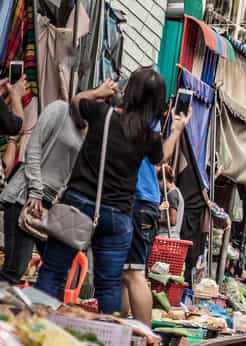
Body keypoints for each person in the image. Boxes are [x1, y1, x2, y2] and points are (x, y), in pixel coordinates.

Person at [36, 68, 178, 315]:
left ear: (130, 90)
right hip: (117, 216)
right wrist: (176, 131)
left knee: (54, 271)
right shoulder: (149, 137)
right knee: (109, 287)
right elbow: (160, 158)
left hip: (78, 204)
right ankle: (110, 344)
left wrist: (100, 91)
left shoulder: (103, 113)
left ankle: (40, 328)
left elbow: (77, 100)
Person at [0, 101, 87, 283]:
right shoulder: (60, 110)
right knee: (15, 268)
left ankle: (42, 308)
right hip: (25, 197)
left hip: (52, 205)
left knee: (55, 268)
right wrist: (35, 191)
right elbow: (34, 147)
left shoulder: (92, 130)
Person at [121, 111, 187, 324]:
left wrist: (176, 131)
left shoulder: (142, 121)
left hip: (135, 201)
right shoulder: (149, 122)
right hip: (138, 203)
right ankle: (121, 332)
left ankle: (143, 334)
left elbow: (160, 156)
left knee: (131, 274)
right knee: (126, 275)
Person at [157, 164, 184, 238]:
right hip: (173, 236)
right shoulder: (176, 192)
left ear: (163, 180)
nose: (158, 186)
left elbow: (172, 221)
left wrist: (156, 220)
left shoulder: (171, 194)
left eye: (158, 182)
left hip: (167, 236)